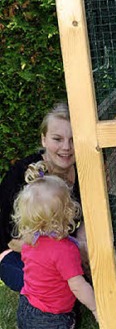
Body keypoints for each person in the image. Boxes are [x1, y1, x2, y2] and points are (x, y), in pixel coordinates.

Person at [11, 172, 97, 329]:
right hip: (50, 315)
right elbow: (78, 285)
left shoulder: (31, 241)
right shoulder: (64, 250)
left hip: (30, 308)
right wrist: (95, 308)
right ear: (67, 213)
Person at [0, 102, 87, 292]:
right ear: (43, 140)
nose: (66, 147)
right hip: (20, 250)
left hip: (61, 249)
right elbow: (13, 239)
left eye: (73, 139)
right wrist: (66, 254)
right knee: (49, 284)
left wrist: (82, 241)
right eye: (57, 139)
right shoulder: (22, 175)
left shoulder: (85, 169)